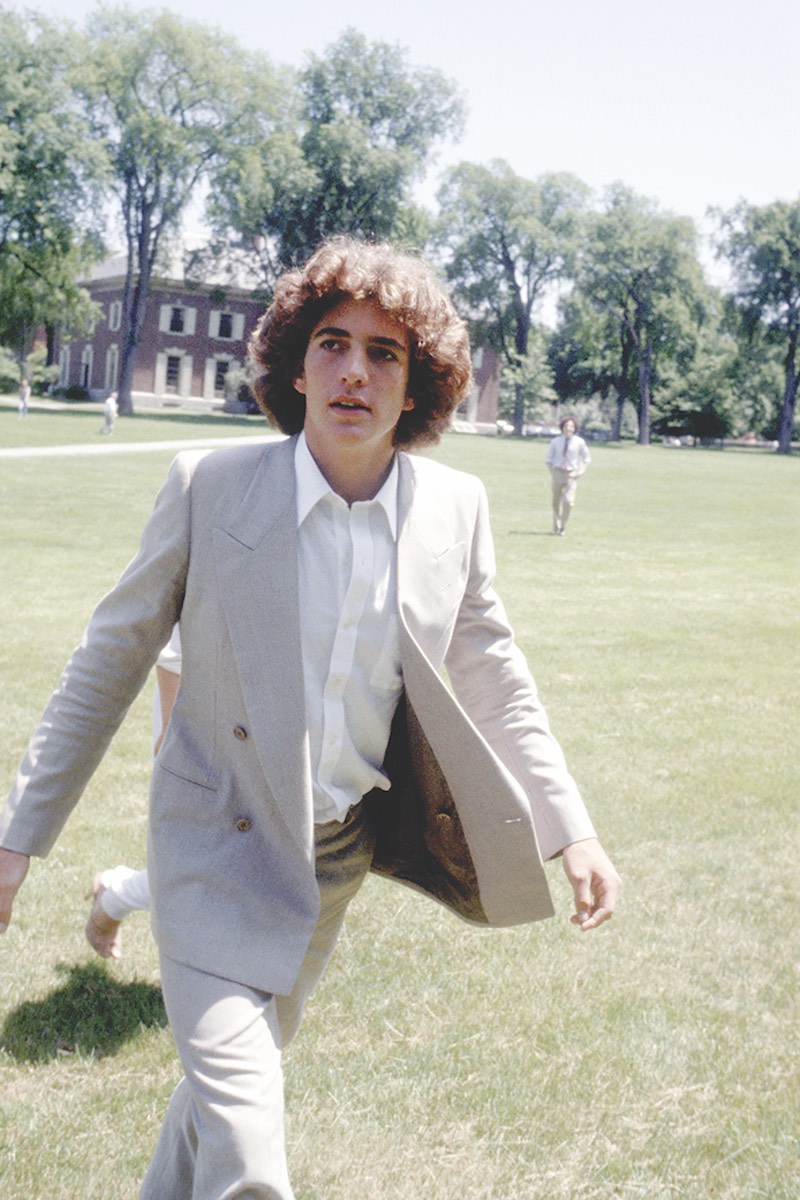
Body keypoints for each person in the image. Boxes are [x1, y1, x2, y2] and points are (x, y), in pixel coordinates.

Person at [0, 237, 620, 1200]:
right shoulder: (209, 487)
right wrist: (17, 838)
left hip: (332, 860)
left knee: (216, 1110)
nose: (354, 372)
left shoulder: (454, 507)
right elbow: (107, 662)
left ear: (419, 386)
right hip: (212, 844)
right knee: (250, 1158)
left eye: (386, 354)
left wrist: (567, 822)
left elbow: (493, 670)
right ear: (296, 363)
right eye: (333, 343)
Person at [545, 414, 591, 535]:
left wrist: (580, 472)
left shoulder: (579, 442)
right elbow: (548, 460)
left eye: (571, 426)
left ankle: (563, 526)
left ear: (574, 428)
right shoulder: (555, 441)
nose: (568, 428)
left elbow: (586, 459)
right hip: (558, 472)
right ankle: (556, 525)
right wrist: (553, 473)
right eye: (566, 426)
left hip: (571, 473)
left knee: (568, 501)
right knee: (556, 501)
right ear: (562, 427)